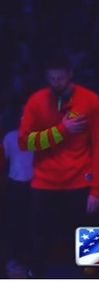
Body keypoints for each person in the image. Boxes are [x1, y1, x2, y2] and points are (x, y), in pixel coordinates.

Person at [18, 53, 99, 278]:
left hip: (80, 184)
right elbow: (24, 142)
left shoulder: (90, 100)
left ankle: (92, 276)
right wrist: (61, 130)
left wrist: (97, 189)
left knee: (90, 244)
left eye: (60, 78)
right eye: (51, 79)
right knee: (39, 245)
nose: (56, 83)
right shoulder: (36, 101)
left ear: (70, 75)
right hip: (45, 185)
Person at [3, 108, 33, 278]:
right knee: (16, 223)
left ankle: (28, 261)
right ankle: (15, 261)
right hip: (16, 185)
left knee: (31, 223)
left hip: (35, 185)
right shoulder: (9, 137)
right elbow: (4, 159)